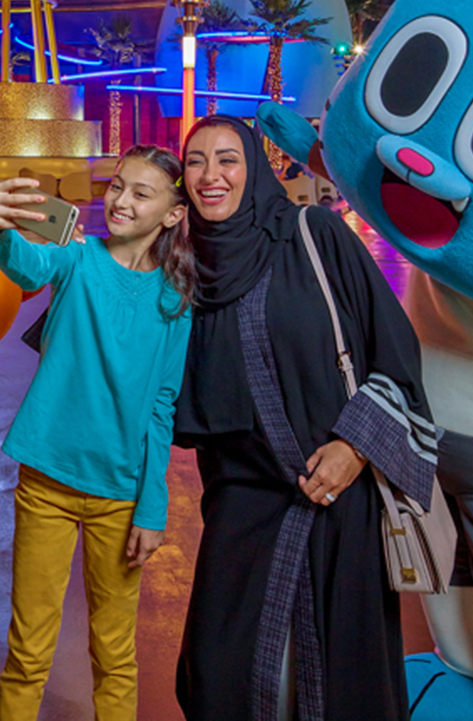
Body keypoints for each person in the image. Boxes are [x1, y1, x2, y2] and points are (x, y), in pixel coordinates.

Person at [173, 115, 438, 721]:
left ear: (256, 169)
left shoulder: (313, 233)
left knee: (340, 671)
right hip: (240, 499)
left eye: (228, 159)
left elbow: (393, 348)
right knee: (221, 668)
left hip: (336, 494)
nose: (211, 175)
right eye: (195, 161)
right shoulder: (184, 265)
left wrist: (355, 446)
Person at [0, 145, 195, 721]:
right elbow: (24, 263)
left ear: (173, 214)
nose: (121, 201)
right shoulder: (76, 259)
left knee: (115, 652)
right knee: (28, 651)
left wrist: (152, 508)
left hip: (120, 499)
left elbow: (162, 406)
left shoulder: (175, 303)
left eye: (140, 193)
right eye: (117, 185)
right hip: (45, 481)